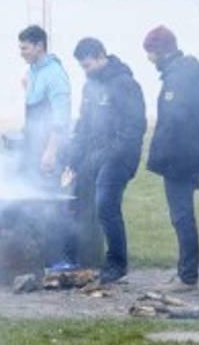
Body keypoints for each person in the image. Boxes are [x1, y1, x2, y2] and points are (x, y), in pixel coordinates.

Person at [61, 38, 146, 283]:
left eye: (87, 65)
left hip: (120, 156)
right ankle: (70, 259)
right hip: (94, 155)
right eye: (82, 67)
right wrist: (73, 159)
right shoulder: (89, 87)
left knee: (106, 204)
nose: (85, 71)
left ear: (100, 56)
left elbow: (134, 128)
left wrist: (108, 155)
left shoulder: (124, 84)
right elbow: (83, 126)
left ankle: (117, 264)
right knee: (75, 200)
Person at [142, 26, 199, 292]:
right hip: (187, 153)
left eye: (150, 53)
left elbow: (173, 121)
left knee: (181, 216)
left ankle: (188, 277)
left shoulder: (178, 77)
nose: (149, 59)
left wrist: (159, 158)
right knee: (180, 215)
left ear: (161, 51)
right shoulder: (181, 73)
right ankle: (185, 271)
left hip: (181, 157)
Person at [17, 25, 71, 188]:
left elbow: (61, 115)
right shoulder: (33, 70)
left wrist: (51, 151)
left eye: (25, 48)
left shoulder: (55, 74)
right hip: (33, 145)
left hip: (48, 148)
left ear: (39, 46)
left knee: (47, 200)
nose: (21, 53)